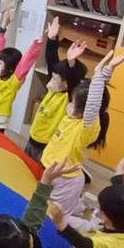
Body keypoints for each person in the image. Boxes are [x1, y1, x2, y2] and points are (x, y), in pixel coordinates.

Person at [43, 51, 124, 230]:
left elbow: (93, 103)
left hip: (66, 179)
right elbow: (88, 94)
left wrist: (102, 73)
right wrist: (102, 74)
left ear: (83, 111)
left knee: (58, 217)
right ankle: (78, 205)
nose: (69, 105)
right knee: (51, 204)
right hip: (55, 174)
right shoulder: (71, 118)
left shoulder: (87, 127)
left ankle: (93, 225)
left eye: (73, 103)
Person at [23, 17, 88, 162]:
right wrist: (52, 39)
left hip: (47, 146)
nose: (50, 82)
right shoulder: (53, 91)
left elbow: (73, 80)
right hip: (33, 138)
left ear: (66, 85)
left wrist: (71, 63)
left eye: (55, 79)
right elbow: (51, 60)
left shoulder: (68, 97)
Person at [0, 8, 43, 133]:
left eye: (0, 63)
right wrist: (3, 28)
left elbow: (26, 63)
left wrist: (37, 44)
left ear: (10, 69)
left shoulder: (13, 81)